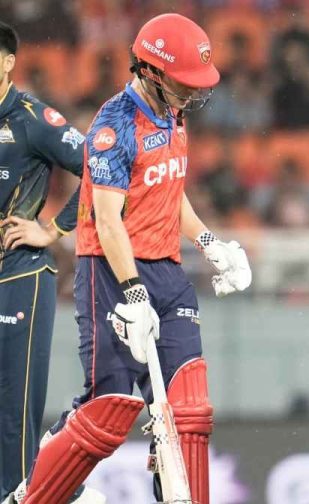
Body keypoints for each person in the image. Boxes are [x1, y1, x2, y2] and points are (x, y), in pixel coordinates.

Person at [10, 13, 251, 504]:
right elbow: (106, 219)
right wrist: (134, 293)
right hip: (111, 275)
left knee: (190, 413)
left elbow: (169, 187)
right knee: (109, 409)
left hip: (168, 271)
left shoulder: (173, 111)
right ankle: (32, 496)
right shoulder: (113, 125)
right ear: (151, 71)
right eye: (183, 84)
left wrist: (211, 246)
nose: (191, 95)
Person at [0, 21, 90, 502]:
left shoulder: (32, 118)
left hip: (21, 276)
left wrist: (52, 229)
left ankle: (28, 494)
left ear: (8, 62)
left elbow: (98, 167)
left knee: (14, 406)